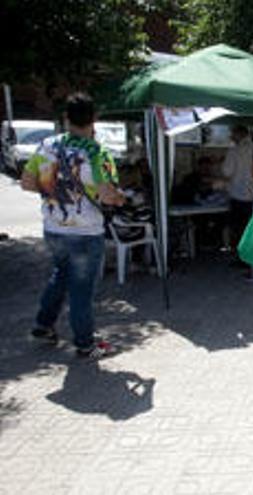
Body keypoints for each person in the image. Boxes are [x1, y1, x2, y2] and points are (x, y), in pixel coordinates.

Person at [20, 92, 125, 359]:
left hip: (54, 227)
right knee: (81, 289)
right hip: (85, 232)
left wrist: (54, 190)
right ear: (95, 120)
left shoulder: (47, 146)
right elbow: (107, 194)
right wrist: (120, 197)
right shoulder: (97, 152)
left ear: (66, 118)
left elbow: (27, 182)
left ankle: (43, 326)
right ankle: (85, 344)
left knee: (61, 275)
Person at [222, 124, 253, 253]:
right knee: (252, 228)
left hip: (238, 195)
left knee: (239, 228)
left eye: (232, 134)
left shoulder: (234, 151)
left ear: (239, 134)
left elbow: (227, 172)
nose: (231, 137)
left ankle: (242, 257)